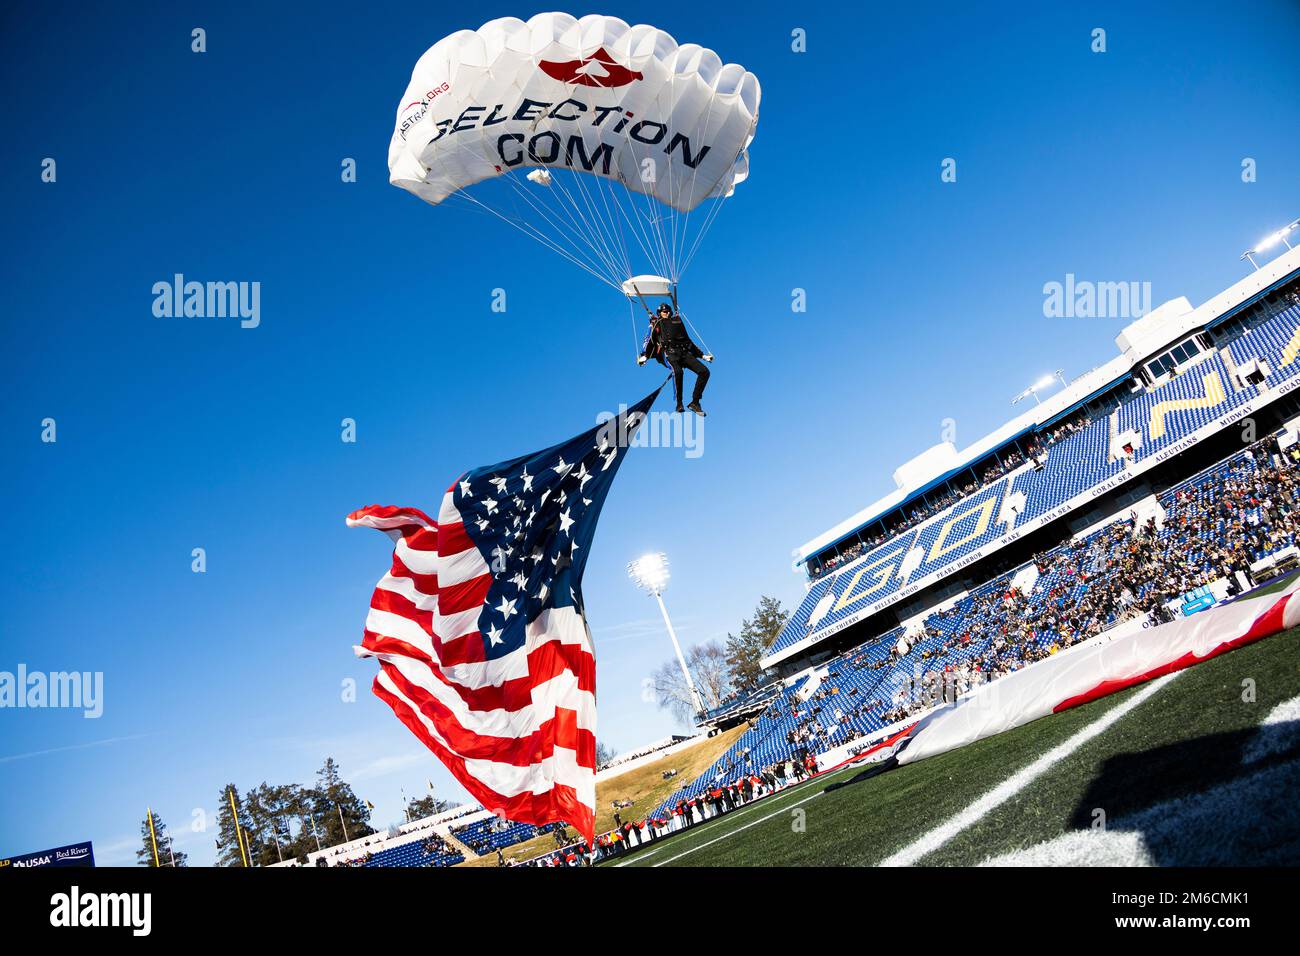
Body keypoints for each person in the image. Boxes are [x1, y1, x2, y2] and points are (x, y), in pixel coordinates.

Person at [638, 300, 713, 415]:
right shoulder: (656, 323)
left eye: (668, 311)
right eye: (664, 311)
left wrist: (702, 355)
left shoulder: (677, 321)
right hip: (670, 354)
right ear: (659, 313)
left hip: (684, 353)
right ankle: (679, 403)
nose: (667, 313)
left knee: (704, 372)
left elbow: (688, 340)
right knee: (678, 371)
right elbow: (648, 339)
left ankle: (695, 402)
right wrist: (644, 355)